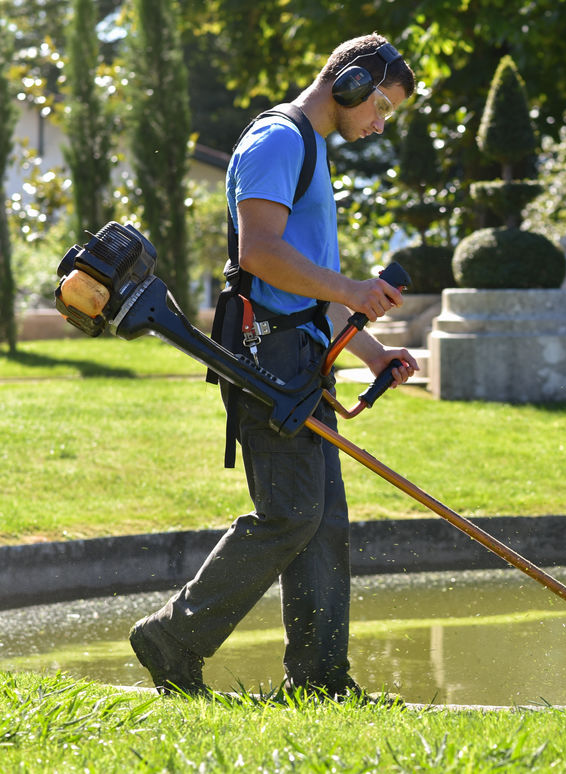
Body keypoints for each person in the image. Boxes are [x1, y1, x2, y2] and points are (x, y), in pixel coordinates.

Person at [129, 33, 419, 701]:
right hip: (268, 358)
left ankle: (319, 683)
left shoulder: (309, 150)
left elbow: (306, 285)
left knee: (322, 521)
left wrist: (372, 350)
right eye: (379, 105)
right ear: (348, 83)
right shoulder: (279, 141)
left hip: (299, 354)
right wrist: (350, 289)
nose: (378, 123)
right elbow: (258, 254)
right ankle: (172, 637)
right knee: (290, 514)